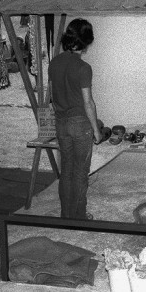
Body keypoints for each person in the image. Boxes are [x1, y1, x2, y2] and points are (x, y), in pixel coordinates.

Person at [48, 18, 102, 220]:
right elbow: (88, 103)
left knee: (67, 171)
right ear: (87, 41)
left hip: (61, 123)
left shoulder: (54, 63)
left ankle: (66, 214)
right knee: (80, 173)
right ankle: (79, 216)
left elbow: (54, 98)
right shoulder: (83, 67)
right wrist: (96, 129)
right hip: (80, 125)